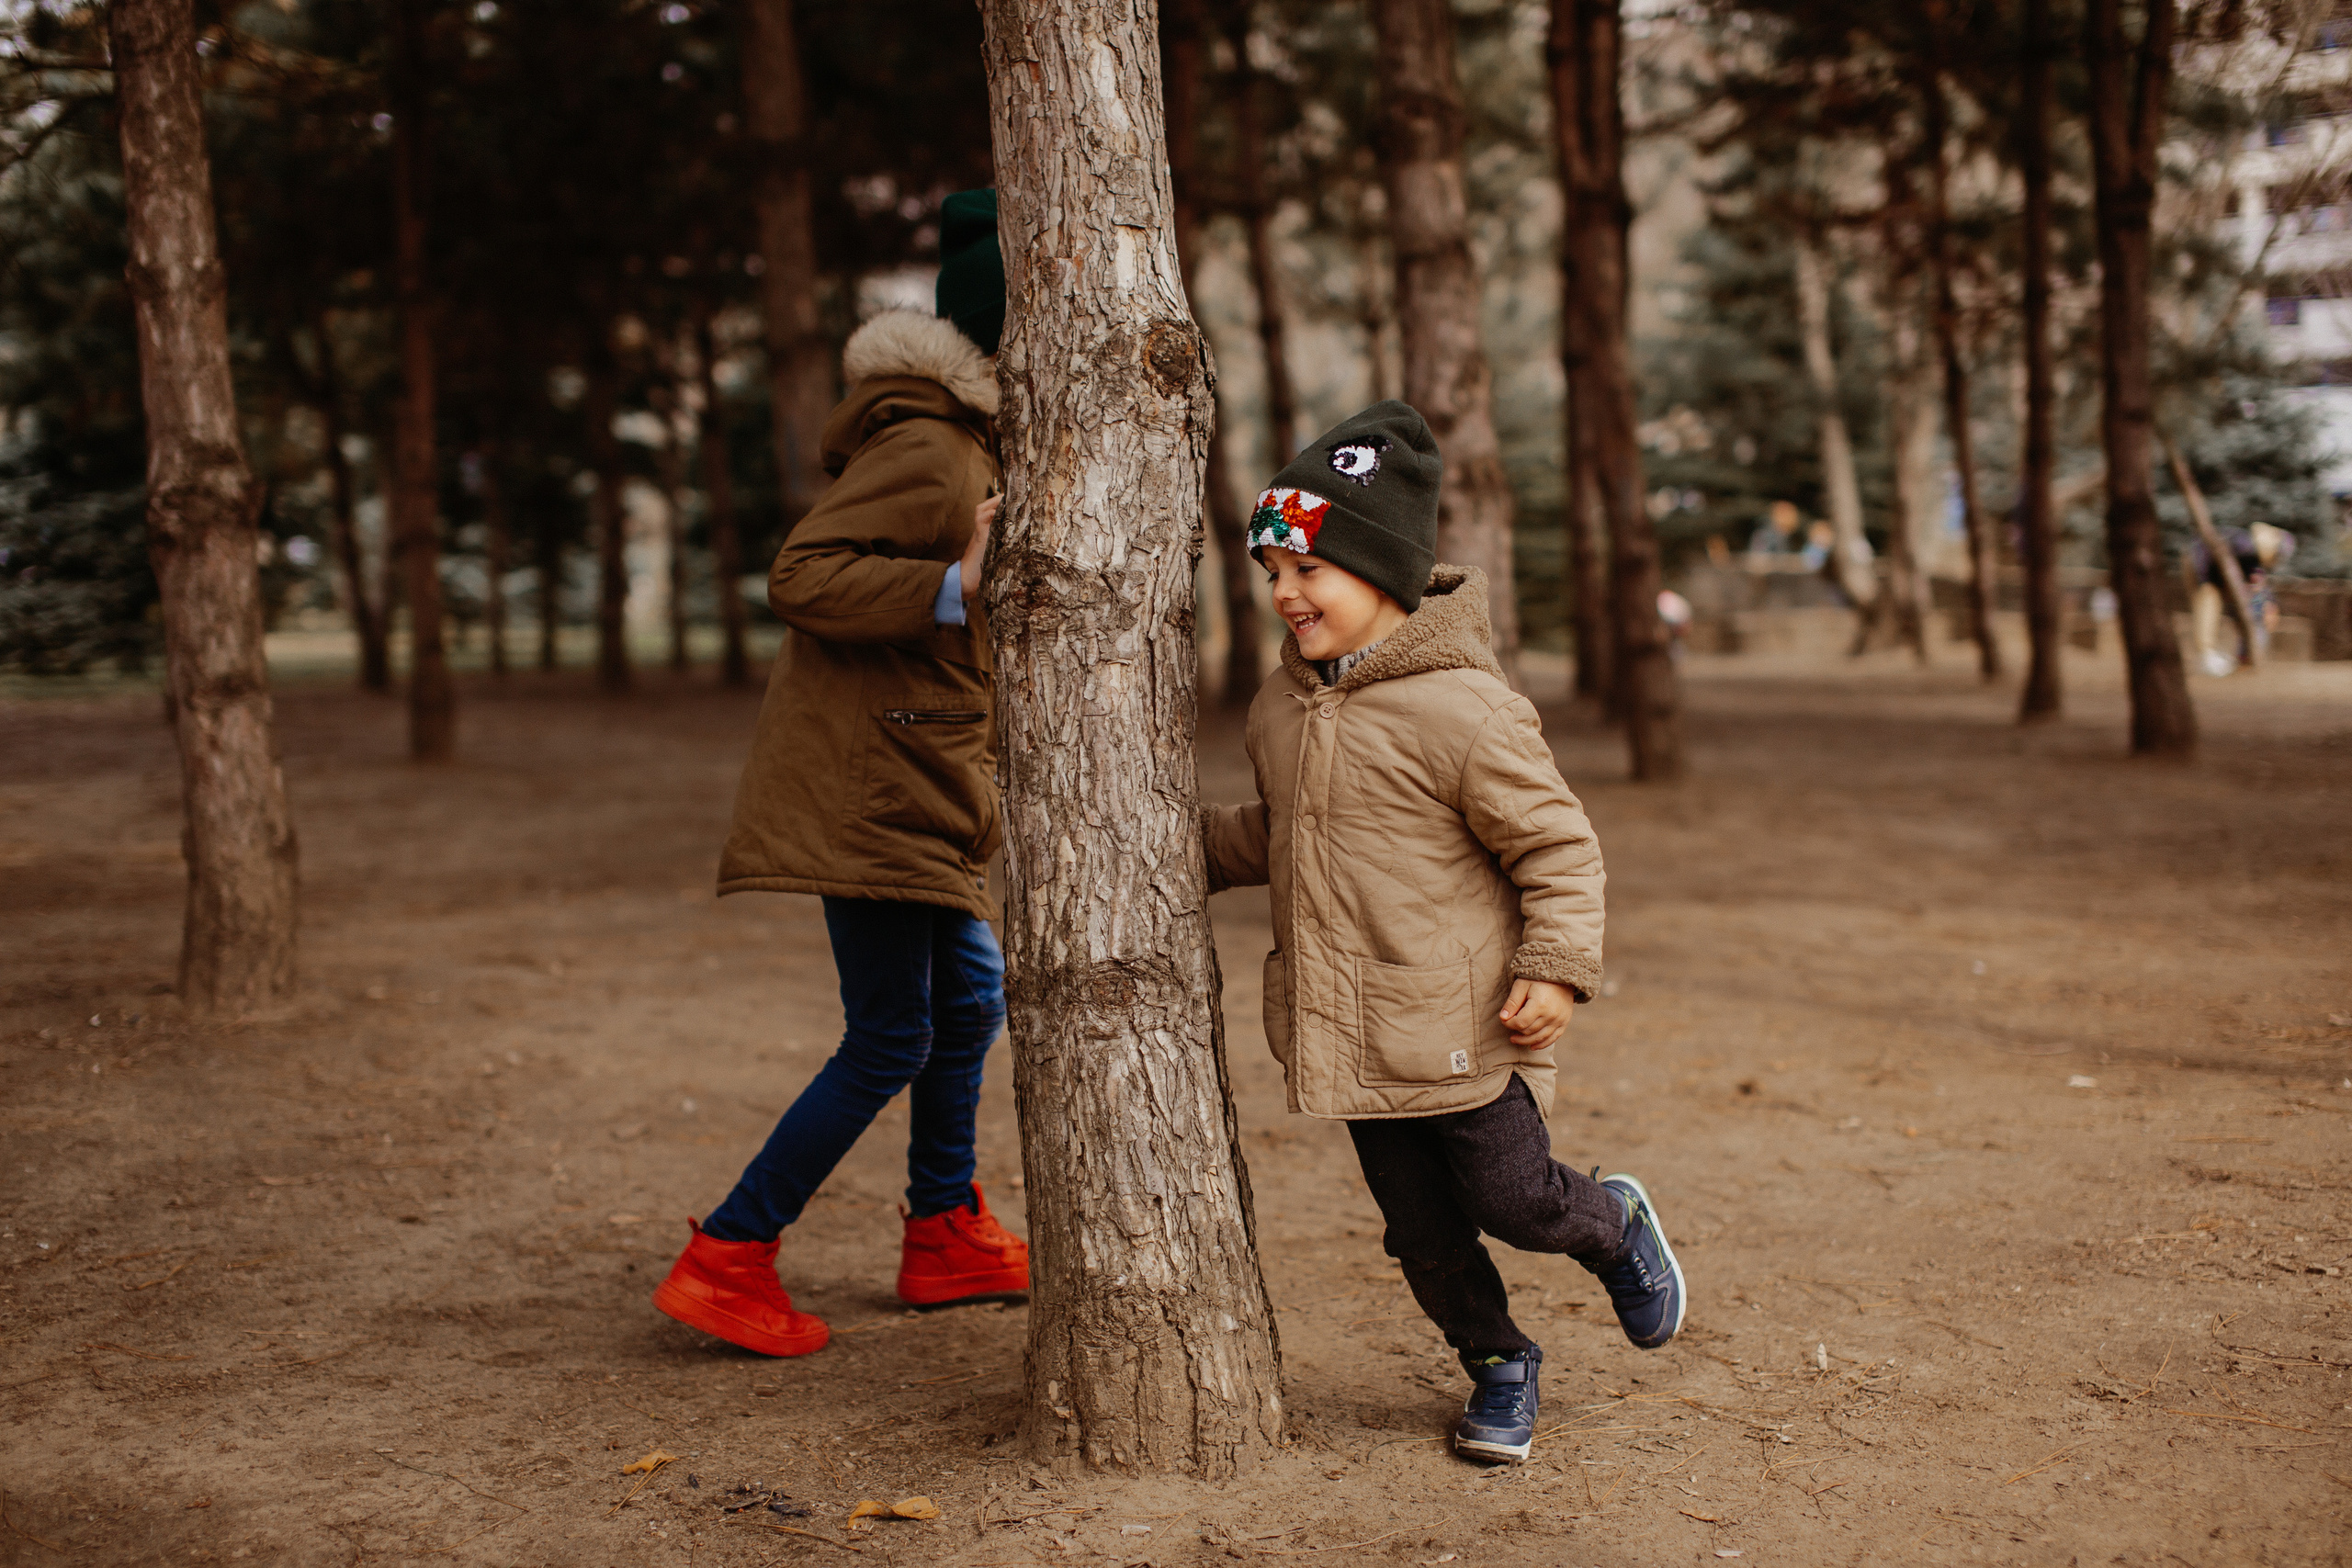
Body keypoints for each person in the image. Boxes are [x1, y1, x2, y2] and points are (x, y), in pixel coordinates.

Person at [1200, 401, 1685, 1464]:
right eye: (1271, 571)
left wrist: (1556, 971)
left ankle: (1612, 1225)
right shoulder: (1278, 711)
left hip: (1465, 1023)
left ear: (1383, 570)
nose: (1285, 593)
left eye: (1308, 569)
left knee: (1513, 1199)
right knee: (1419, 1233)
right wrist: (1172, 852)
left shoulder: (1466, 709)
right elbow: (1283, 836)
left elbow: (1557, 852)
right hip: (1353, 1032)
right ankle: (1499, 1364)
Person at [651, 189, 1029, 1359]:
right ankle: (730, 1252)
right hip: (876, 786)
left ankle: (944, 1227)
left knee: (968, 1000)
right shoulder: (931, 449)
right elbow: (803, 573)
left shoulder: (967, 444)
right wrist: (954, 588)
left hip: (916, 776)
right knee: (889, 1035)